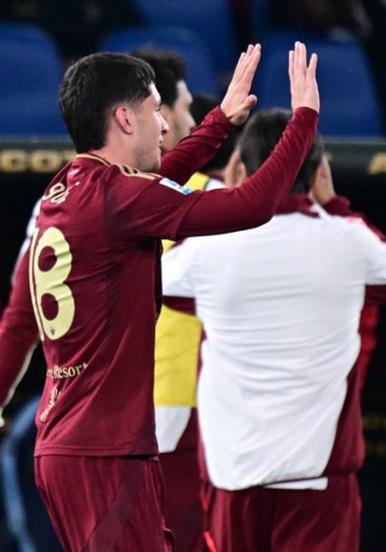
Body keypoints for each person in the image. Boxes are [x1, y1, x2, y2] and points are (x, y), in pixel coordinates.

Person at [0, 42, 320, 550]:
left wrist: (221, 121)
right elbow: (254, 204)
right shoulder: (120, 198)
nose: (167, 126)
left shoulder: (70, 187)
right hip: (104, 452)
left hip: (72, 443)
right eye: (156, 111)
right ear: (126, 118)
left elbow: (153, 184)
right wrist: (303, 120)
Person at [161, 108, 386, 551]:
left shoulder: (206, 249)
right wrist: (335, 206)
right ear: (319, 172)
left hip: (232, 472)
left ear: (237, 168)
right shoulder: (347, 239)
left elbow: (157, 283)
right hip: (316, 475)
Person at [131, 48, 213, 552]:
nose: (188, 120)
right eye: (181, 107)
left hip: (167, 401)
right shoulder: (203, 195)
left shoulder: (77, 192)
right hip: (166, 400)